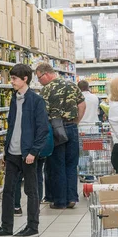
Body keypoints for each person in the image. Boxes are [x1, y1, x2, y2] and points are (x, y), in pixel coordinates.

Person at [0, 64, 49, 237]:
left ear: (25, 79)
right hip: (12, 152)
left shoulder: (36, 101)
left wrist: (34, 152)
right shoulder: (14, 99)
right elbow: (12, 126)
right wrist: (6, 150)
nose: (11, 81)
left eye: (14, 78)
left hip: (28, 153)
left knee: (31, 190)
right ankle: (6, 228)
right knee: (8, 191)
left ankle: (32, 226)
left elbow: (42, 129)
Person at [36, 63, 86, 209]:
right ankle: (71, 198)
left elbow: (42, 114)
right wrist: (75, 122)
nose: (39, 81)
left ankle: (59, 200)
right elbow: (82, 105)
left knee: (57, 165)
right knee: (71, 164)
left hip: (55, 130)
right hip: (71, 128)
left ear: (46, 74)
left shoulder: (45, 90)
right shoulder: (72, 85)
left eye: (39, 78)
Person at [14, 125, 54, 215]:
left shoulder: (24, 113)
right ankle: (36, 207)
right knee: (38, 175)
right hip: (42, 147)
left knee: (18, 176)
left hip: (26, 148)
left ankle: (16, 206)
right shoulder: (42, 113)